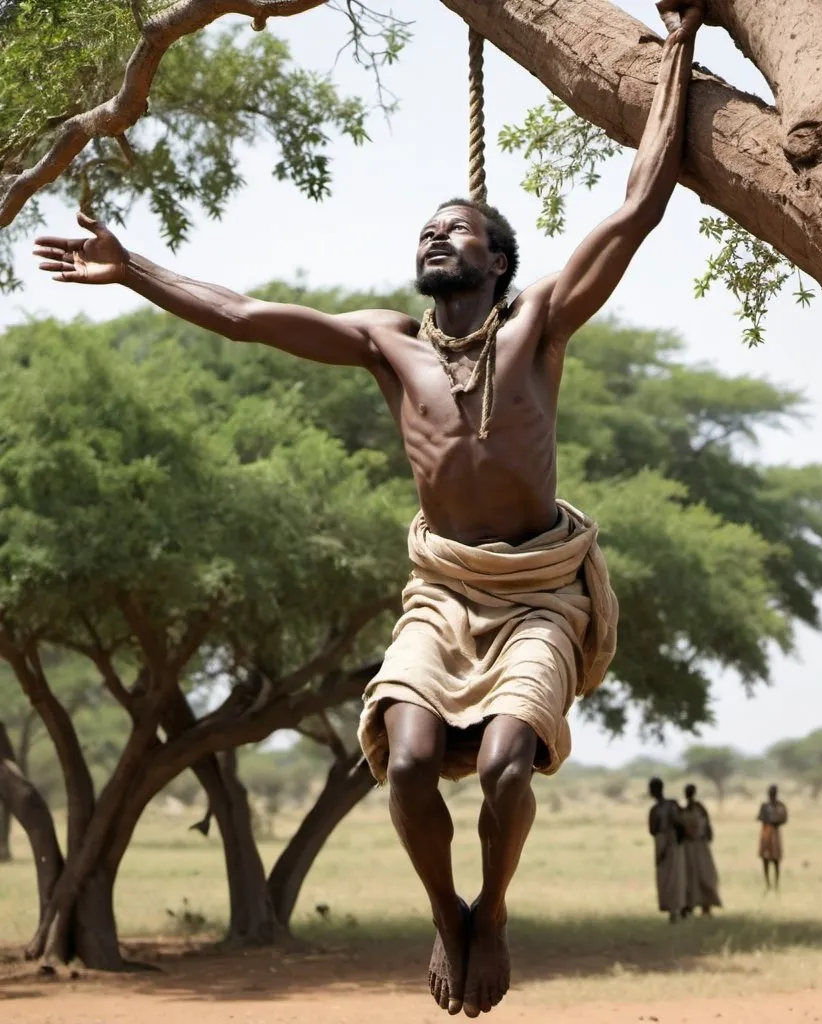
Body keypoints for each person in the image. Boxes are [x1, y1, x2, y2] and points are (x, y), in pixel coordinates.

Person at [32, 1, 704, 1013]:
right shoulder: (387, 342)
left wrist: (683, 47)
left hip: (534, 594)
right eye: (426, 230)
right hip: (441, 592)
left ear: (497, 261)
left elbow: (636, 206)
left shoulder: (539, 327)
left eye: (458, 228)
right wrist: (136, 272)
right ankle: (446, 915)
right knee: (406, 762)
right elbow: (252, 318)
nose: (437, 235)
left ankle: (496, 912)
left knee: (512, 769)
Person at [648, 777, 687, 922]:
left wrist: (671, 840)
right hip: (665, 842)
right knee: (668, 876)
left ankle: (675, 910)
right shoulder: (663, 807)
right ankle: (673, 908)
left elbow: (654, 828)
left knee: (672, 877)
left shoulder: (665, 807)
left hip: (669, 843)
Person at [679, 783, 721, 916]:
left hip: (698, 845)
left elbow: (707, 827)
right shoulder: (684, 810)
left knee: (704, 874)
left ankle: (705, 905)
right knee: (689, 875)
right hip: (689, 846)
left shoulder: (698, 809)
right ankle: (689, 905)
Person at [757, 784, 788, 891]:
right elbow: (760, 817)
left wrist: (775, 820)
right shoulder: (765, 806)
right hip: (767, 832)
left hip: (775, 832)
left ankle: (776, 883)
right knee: (765, 858)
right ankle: (768, 883)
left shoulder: (780, 806)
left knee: (776, 859)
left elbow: (784, 819)